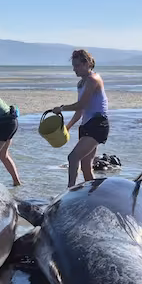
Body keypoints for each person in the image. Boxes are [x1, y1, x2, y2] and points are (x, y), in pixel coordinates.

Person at [50, 49, 109, 188]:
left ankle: (69, 190)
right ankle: (93, 195)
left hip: (98, 125)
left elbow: (81, 104)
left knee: (73, 157)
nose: (74, 69)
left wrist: (62, 108)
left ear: (87, 63)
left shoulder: (93, 80)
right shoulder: (81, 83)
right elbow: (80, 110)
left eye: (77, 65)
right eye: (73, 66)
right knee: (86, 167)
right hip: (86, 125)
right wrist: (68, 127)